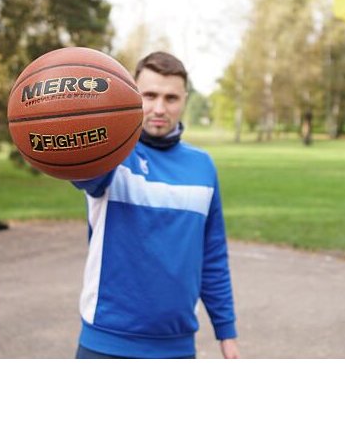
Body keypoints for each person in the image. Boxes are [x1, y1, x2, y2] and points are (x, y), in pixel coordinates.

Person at [70, 51, 240, 359]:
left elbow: (213, 255)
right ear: (132, 95)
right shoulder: (110, 156)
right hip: (105, 343)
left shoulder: (202, 166)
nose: (160, 108)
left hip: (177, 346)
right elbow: (82, 173)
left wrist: (226, 331)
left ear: (184, 99)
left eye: (171, 98)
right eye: (149, 96)